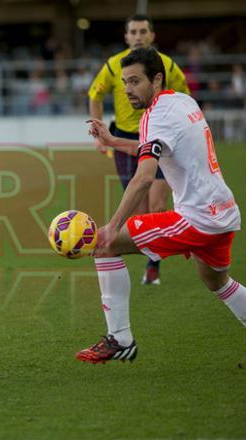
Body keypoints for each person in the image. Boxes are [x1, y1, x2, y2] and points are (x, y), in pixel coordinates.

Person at [80, 47, 244, 364]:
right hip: (223, 212)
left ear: (156, 79)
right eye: (125, 82)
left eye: (135, 81)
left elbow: (143, 177)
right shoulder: (181, 102)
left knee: (103, 244)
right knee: (218, 283)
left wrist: (113, 226)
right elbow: (158, 147)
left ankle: (120, 340)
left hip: (197, 219)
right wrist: (113, 142)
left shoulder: (157, 117)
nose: (128, 90)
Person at [88, 14, 190, 285]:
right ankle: (158, 249)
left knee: (157, 203)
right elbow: (94, 94)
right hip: (125, 138)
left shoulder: (166, 65)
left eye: (143, 31)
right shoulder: (113, 66)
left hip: (159, 136)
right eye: (133, 31)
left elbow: (185, 94)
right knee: (141, 209)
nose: (138, 36)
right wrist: (100, 135)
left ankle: (154, 264)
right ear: (126, 36)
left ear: (152, 36)